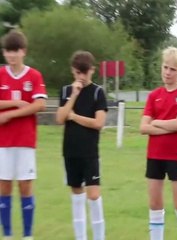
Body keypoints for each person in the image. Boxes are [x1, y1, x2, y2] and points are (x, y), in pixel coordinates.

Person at [140, 47, 177, 240]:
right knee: (154, 204)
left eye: (172, 69)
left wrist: (156, 122)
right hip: (154, 155)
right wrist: (166, 126)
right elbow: (143, 127)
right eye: (165, 67)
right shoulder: (154, 95)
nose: (167, 72)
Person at [0, 30, 47, 240]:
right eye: (7, 51)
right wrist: (15, 103)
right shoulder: (1, 74)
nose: (11, 56)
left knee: (25, 185)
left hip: (25, 140)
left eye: (15, 51)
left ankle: (28, 235)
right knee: (4, 185)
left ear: (23, 52)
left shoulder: (34, 75)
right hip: (3, 142)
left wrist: (10, 115)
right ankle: (8, 234)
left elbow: (40, 104)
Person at [56, 51, 107, 240]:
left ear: (92, 70)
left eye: (85, 72)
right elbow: (60, 118)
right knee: (77, 195)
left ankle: (99, 237)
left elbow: (98, 123)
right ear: (73, 71)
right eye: (78, 73)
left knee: (93, 195)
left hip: (90, 152)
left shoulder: (97, 92)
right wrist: (73, 96)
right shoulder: (65, 91)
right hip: (70, 151)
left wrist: (75, 117)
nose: (82, 77)